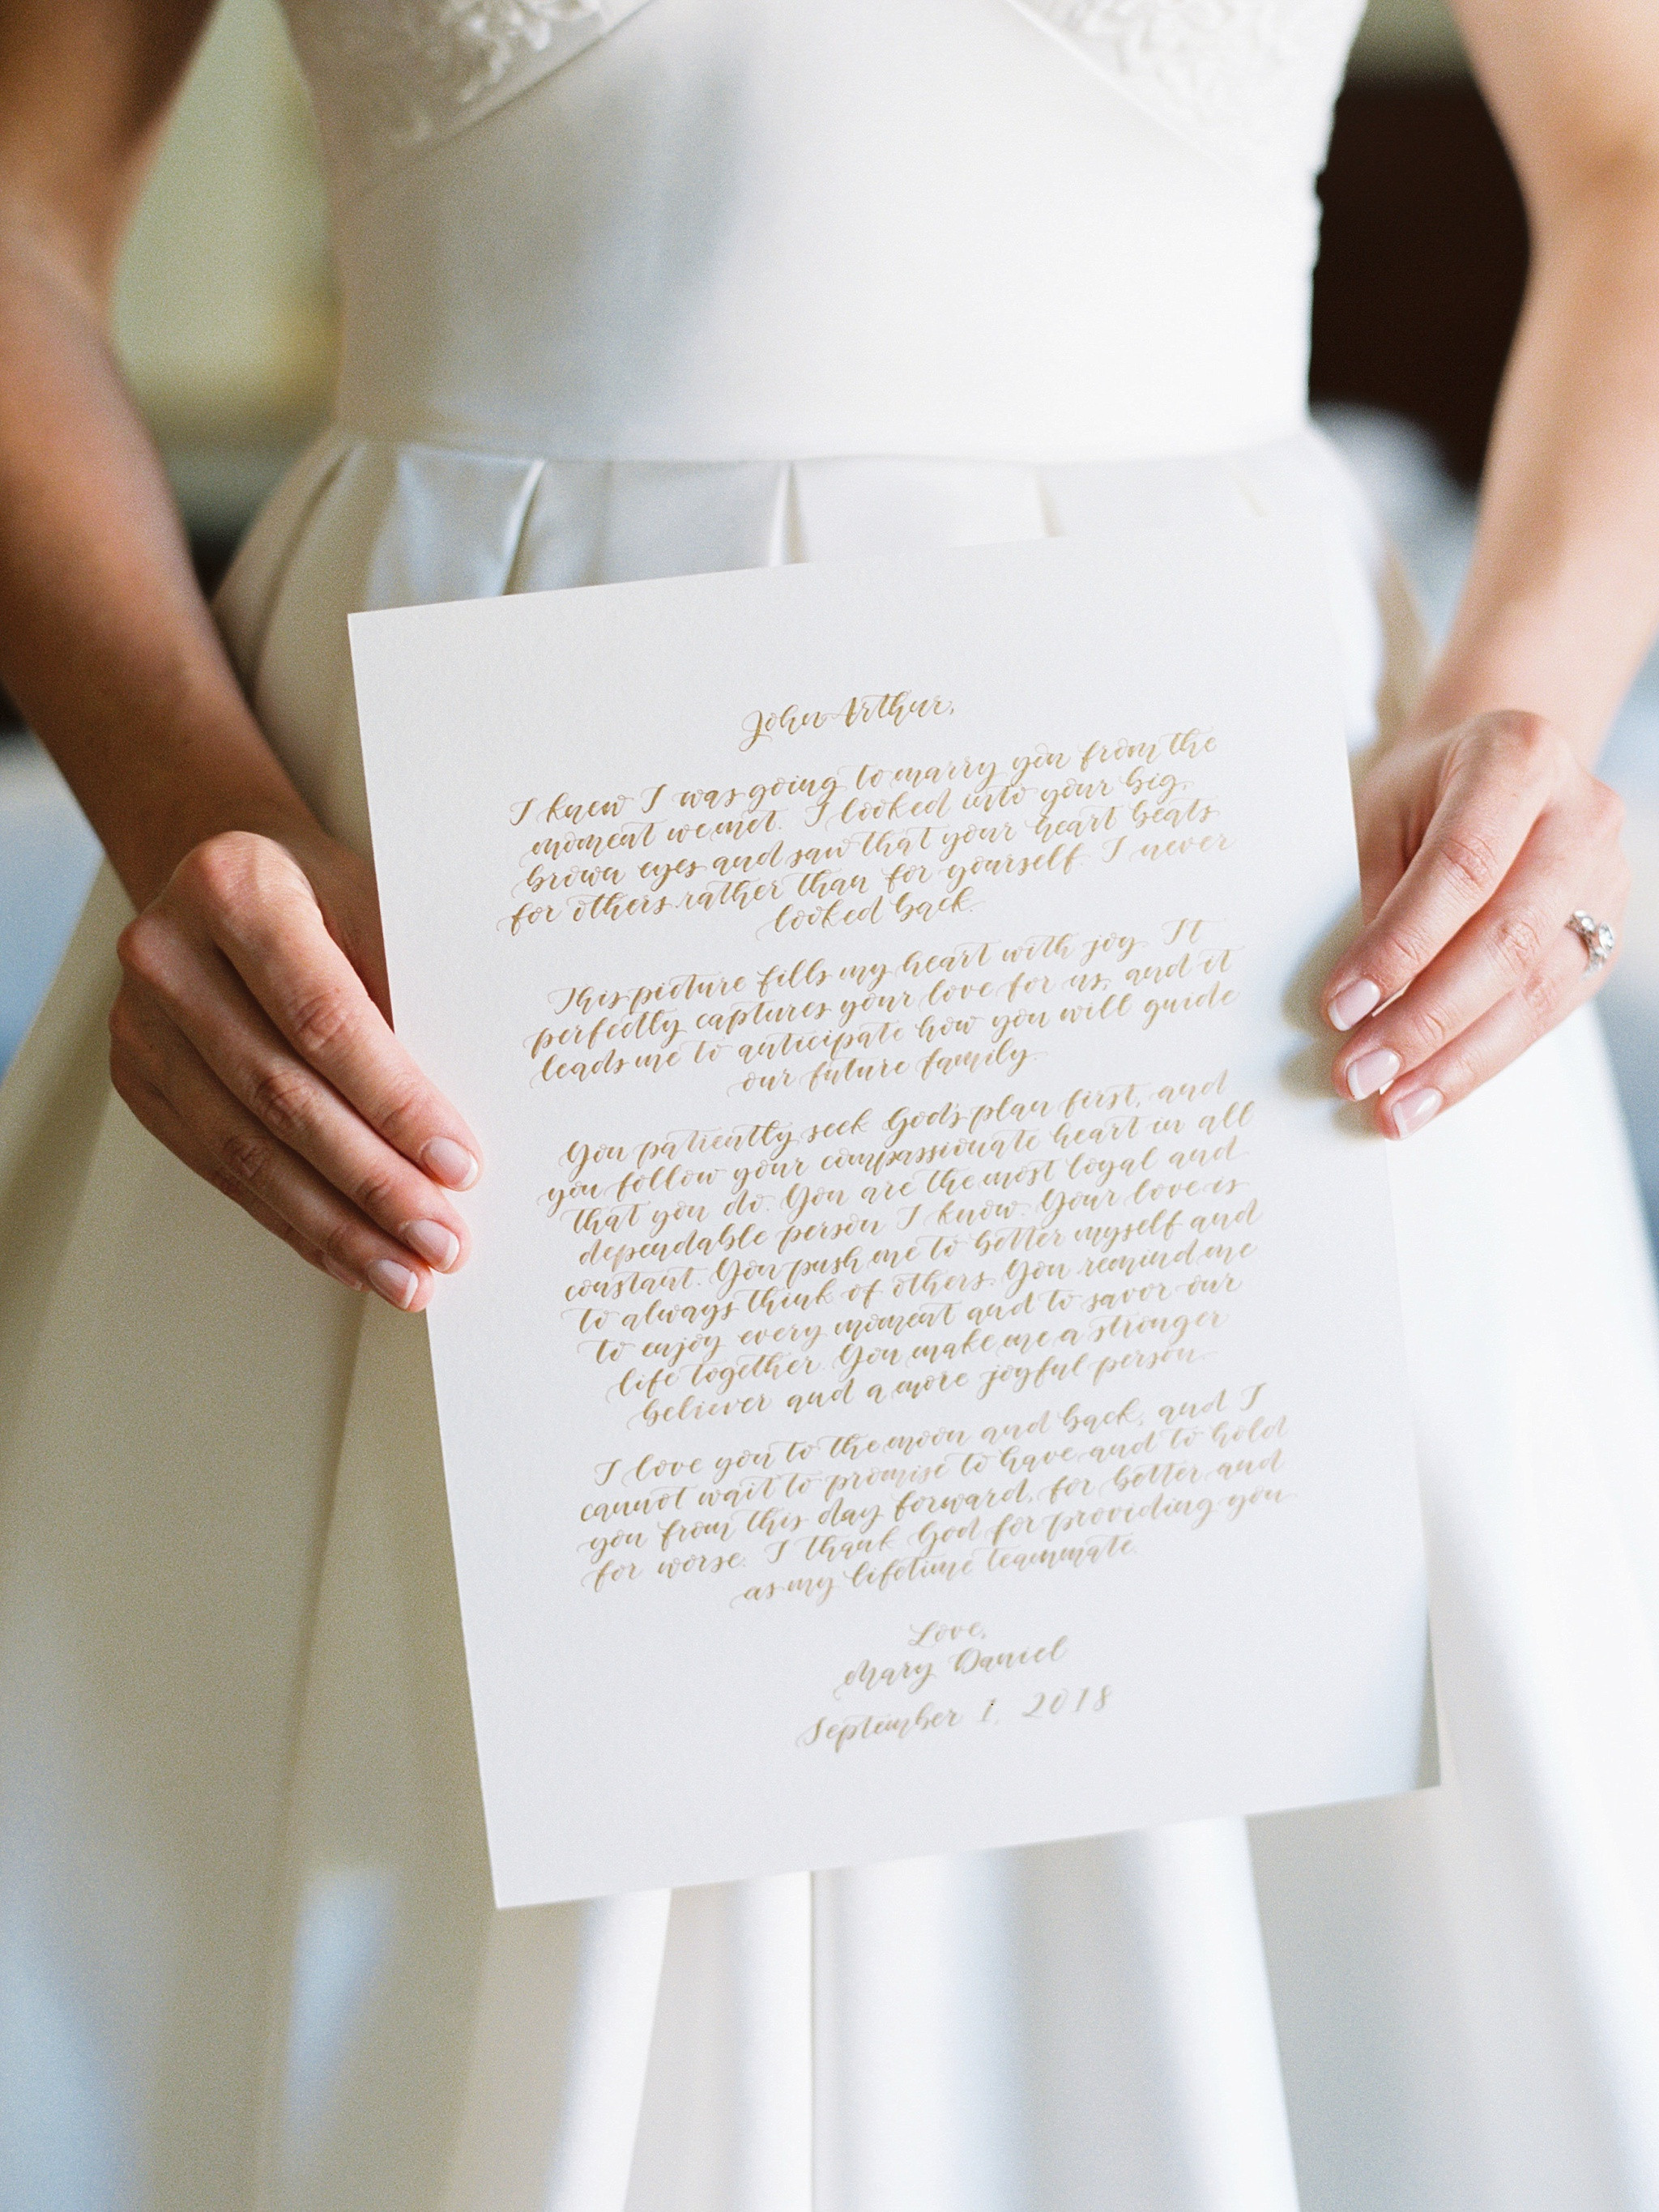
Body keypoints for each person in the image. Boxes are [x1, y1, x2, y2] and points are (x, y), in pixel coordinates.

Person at [2, 0, 1657, 2202]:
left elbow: (1637, 145)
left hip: (1246, 949)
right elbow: (20, 216)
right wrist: (179, 807)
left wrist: (1536, 703)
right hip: (410, 955)